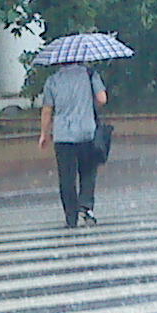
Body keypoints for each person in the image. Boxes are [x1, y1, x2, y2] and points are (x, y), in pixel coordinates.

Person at [37, 60, 106, 227]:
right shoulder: (90, 75)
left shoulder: (52, 80)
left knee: (66, 178)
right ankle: (86, 206)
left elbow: (47, 110)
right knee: (88, 171)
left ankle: (70, 217)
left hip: (63, 136)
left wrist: (44, 134)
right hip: (86, 132)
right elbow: (102, 99)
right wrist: (89, 107)